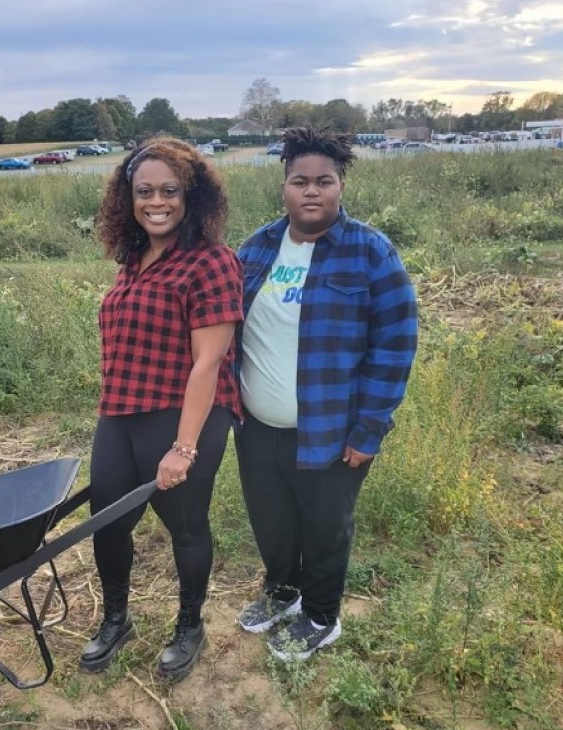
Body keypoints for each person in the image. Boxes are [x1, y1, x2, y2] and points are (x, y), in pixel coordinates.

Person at [234, 126, 418, 661]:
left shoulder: (370, 252)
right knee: (272, 522)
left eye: (324, 181)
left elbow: (395, 344)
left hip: (332, 431)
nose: (311, 192)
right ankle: (284, 592)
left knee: (324, 528)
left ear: (340, 186)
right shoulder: (257, 247)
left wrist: (369, 429)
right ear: (283, 186)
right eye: (299, 181)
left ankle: (320, 616)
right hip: (257, 427)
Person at [80, 138, 243, 681]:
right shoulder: (134, 260)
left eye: (169, 191)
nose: (156, 202)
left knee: (186, 526)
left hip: (184, 415)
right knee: (107, 522)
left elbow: (208, 362)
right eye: (144, 191)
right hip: (122, 411)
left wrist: (183, 447)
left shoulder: (212, 263)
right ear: (128, 198)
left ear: (190, 196)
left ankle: (190, 624)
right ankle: (116, 618)